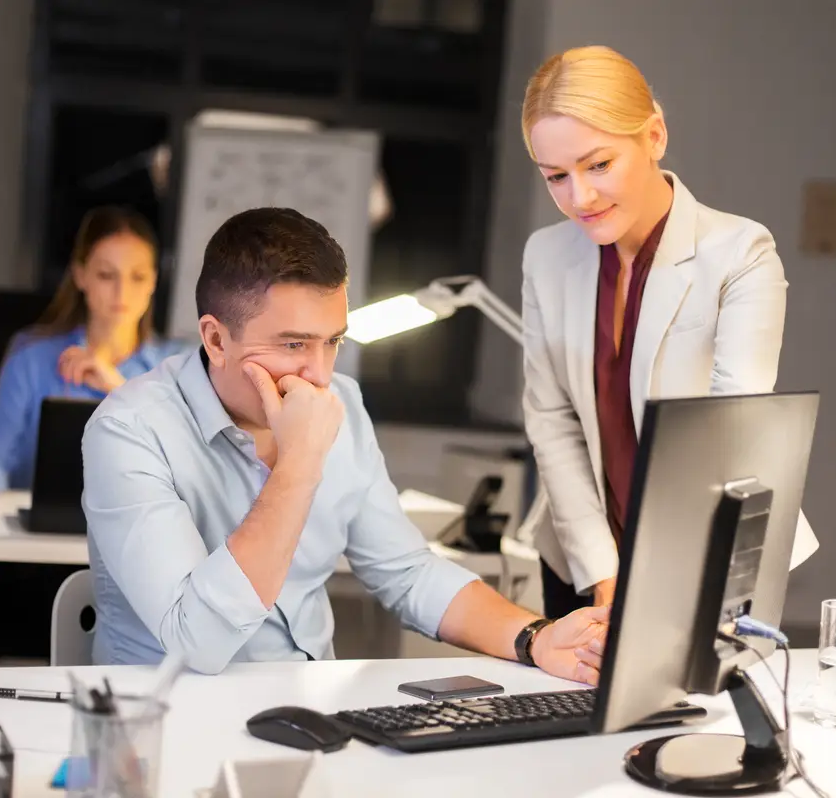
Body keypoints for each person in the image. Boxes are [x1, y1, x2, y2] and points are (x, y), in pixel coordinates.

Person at [82, 207, 609, 680]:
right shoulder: (129, 430)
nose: (319, 373)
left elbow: (407, 573)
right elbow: (197, 641)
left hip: (307, 715)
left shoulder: (343, 405)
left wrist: (535, 638)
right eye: (293, 344)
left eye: (332, 341)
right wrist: (299, 464)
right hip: (168, 724)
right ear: (217, 339)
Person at [520, 46, 789, 618]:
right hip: (580, 557)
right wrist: (604, 571)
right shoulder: (545, 256)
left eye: (598, 165)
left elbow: (730, 431)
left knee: (695, 710)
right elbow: (552, 419)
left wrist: (655, 575)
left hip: (700, 552)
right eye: (556, 177)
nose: (580, 198)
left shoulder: (741, 252)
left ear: (655, 136)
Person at [0, 206, 182, 659]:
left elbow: (190, 459)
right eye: (107, 275)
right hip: (41, 562)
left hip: (142, 565)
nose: (121, 292)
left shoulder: (174, 369)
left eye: (137, 277)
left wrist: (114, 384)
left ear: (153, 282)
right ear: (81, 275)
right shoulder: (32, 357)